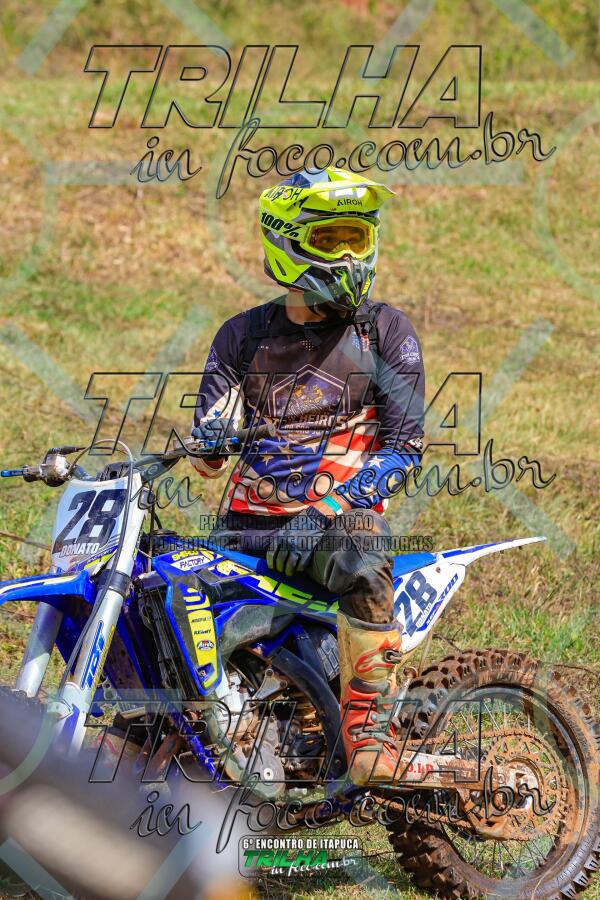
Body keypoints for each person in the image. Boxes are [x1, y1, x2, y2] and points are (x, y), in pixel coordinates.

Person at [191, 167, 424, 784]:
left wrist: (323, 513)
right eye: (329, 240)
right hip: (246, 526)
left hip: (336, 526)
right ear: (285, 243)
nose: (347, 255)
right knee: (157, 591)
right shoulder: (241, 335)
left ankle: (370, 732)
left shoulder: (385, 331)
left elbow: (405, 451)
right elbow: (208, 460)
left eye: (356, 237)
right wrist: (210, 438)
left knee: (363, 545)